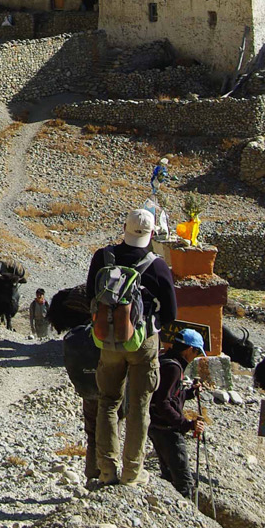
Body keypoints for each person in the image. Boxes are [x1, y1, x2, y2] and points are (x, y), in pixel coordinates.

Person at [86, 209, 178, 487]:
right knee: (139, 406)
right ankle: (131, 473)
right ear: (151, 235)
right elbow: (171, 313)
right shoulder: (157, 265)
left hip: (108, 340)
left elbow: (90, 296)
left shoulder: (103, 257)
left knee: (108, 402)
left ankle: (106, 470)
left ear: (123, 227)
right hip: (143, 343)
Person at [148, 328, 208, 499]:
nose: (195, 357)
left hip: (155, 426)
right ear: (189, 349)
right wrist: (186, 424)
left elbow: (170, 395)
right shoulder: (174, 368)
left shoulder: (164, 360)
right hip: (168, 431)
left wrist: (190, 393)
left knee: (168, 476)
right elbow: (163, 403)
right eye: (196, 353)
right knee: (184, 483)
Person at [62, 323, 102, 486]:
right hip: (107, 390)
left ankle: (92, 473)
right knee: (109, 429)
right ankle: (106, 473)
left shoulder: (82, 335)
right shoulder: (110, 331)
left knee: (92, 433)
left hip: (88, 389)